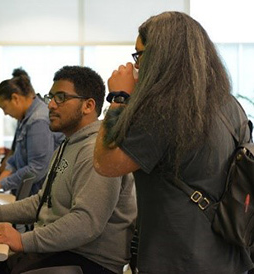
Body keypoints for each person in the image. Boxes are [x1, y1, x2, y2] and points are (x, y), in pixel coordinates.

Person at [93, 11, 253, 274]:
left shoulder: (164, 110)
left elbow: (105, 163)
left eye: (139, 55)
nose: (136, 66)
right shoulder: (230, 105)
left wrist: (118, 98)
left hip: (178, 259)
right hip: (228, 257)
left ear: (159, 56)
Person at [0, 65, 137, 274]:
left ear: (88, 106)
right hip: (62, 251)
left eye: (61, 98)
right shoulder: (68, 144)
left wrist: (23, 240)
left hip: (89, 262)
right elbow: (41, 202)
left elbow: (85, 223)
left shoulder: (95, 151)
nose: (51, 106)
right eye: (51, 97)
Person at [0, 68, 63, 195]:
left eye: (4, 107)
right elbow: (16, 157)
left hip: (38, 195)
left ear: (15, 98)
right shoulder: (26, 117)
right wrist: (0, 178)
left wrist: (1, 183)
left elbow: (37, 168)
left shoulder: (38, 121)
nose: (5, 113)